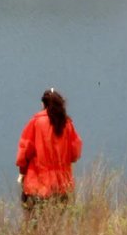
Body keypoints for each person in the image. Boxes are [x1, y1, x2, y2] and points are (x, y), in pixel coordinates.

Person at [16, 88, 82, 223]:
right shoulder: (67, 124)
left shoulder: (35, 122)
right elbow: (75, 153)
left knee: (34, 225)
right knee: (56, 226)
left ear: (43, 105)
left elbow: (25, 151)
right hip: (62, 185)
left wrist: (22, 172)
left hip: (37, 185)